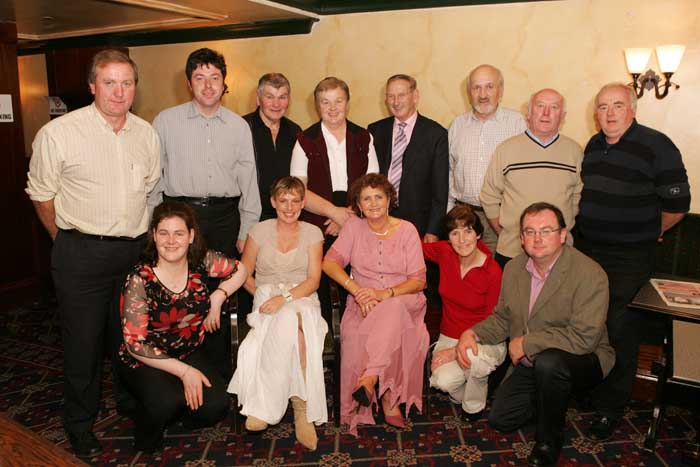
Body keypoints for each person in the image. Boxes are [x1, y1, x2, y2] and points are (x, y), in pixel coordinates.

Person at [25, 49, 160, 458]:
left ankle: (131, 407)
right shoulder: (60, 133)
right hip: (80, 253)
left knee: (130, 342)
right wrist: (66, 242)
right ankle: (80, 425)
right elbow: (42, 195)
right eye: (109, 82)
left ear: (135, 87)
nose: (119, 92)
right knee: (83, 346)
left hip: (133, 254)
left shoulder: (146, 133)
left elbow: (152, 193)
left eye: (127, 83)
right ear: (92, 87)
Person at [457, 202, 614, 467]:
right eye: (529, 232)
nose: (537, 238)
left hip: (585, 358)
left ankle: (548, 442)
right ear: (521, 238)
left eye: (546, 230)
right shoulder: (514, 268)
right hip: (532, 363)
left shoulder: (590, 274)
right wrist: (472, 333)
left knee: (550, 363)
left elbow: (584, 338)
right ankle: (552, 397)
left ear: (563, 235)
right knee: (500, 419)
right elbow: (502, 318)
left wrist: (528, 343)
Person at [578, 83, 691, 441]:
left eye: (617, 105)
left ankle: (610, 408)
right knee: (589, 324)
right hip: (589, 252)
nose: (609, 113)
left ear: (632, 109)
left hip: (630, 256)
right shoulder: (593, 146)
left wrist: (646, 230)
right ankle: (591, 390)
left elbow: (677, 206)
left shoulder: (657, 145)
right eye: (602, 107)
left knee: (619, 328)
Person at [151, 47, 261, 379]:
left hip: (225, 219)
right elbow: (154, 178)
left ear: (224, 83)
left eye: (215, 78)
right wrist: (153, 228)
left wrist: (247, 230)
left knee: (221, 294)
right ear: (189, 83)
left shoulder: (239, 126)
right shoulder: (166, 121)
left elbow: (249, 179)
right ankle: (180, 371)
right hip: (179, 219)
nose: (208, 85)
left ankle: (219, 373)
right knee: (179, 294)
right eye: (200, 78)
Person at [117, 201, 247, 453]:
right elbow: (135, 344)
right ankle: (147, 432)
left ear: (191, 236)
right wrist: (184, 372)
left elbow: (240, 269)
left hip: (188, 350)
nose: (171, 241)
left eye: (179, 233)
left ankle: (178, 413)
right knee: (165, 401)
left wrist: (218, 296)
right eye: (163, 233)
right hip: (147, 358)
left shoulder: (201, 262)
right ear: (153, 235)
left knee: (217, 405)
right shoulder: (140, 278)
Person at [322, 173, 428, 436]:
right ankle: (381, 392)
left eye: (378, 196)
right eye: (366, 198)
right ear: (358, 205)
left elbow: (419, 281)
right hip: (363, 303)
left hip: (403, 299)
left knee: (392, 310)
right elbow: (329, 263)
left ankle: (374, 383)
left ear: (389, 199)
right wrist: (357, 291)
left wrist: (384, 294)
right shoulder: (353, 229)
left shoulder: (407, 230)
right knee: (356, 334)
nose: (373, 203)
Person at [228, 177, 327, 450]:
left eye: (296, 200)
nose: (289, 206)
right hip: (266, 296)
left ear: (303, 203)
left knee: (294, 322)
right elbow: (243, 272)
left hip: (302, 295)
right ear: (273, 202)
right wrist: (261, 296)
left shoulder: (312, 233)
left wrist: (283, 299)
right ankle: (301, 409)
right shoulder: (259, 231)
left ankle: (267, 406)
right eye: (283, 200)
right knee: (300, 335)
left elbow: (314, 279)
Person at [290, 77, 379, 319]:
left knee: (364, 284)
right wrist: (334, 213)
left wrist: (348, 217)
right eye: (325, 102)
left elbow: (373, 187)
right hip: (318, 226)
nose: (332, 108)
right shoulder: (304, 140)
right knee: (322, 291)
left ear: (348, 103)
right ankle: (329, 338)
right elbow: (298, 192)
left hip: (359, 221)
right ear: (317, 106)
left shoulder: (364, 137)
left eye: (338, 101)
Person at [480, 88, 583, 268]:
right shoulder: (506, 150)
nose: (546, 113)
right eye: (540, 106)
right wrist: (507, 231)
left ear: (563, 115)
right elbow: (489, 195)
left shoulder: (575, 152)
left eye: (554, 107)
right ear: (528, 113)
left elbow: (576, 197)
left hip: (560, 253)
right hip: (513, 251)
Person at [423, 205, 505, 419]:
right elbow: (411, 245)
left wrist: (453, 352)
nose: (462, 239)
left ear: (478, 234)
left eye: (468, 231)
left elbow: (493, 320)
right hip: (450, 334)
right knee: (442, 382)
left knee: (475, 361)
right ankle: (468, 387)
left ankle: (473, 407)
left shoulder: (492, 271)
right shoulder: (445, 253)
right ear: (448, 238)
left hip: (484, 338)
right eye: (454, 233)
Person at [448, 64, 526, 252]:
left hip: (503, 219)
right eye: (476, 88)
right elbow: (450, 171)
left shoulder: (518, 124)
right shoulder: (458, 125)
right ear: (469, 92)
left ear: (501, 90)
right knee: (466, 277)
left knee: (499, 276)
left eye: (489, 87)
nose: (483, 94)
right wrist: (450, 213)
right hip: (463, 219)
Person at [367, 74, 448, 242]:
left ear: (415, 96)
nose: (396, 102)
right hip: (379, 219)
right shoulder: (375, 131)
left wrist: (433, 230)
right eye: (391, 96)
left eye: (401, 95)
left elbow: (440, 191)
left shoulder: (436, 134)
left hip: (418, 224)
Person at [244, 73, 302, 221]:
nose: (276, 104)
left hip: (287, 216)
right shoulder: (241, 128)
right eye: (269, 97)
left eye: (282, 97)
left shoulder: (295, 131)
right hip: (248, 217)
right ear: (258, 99)